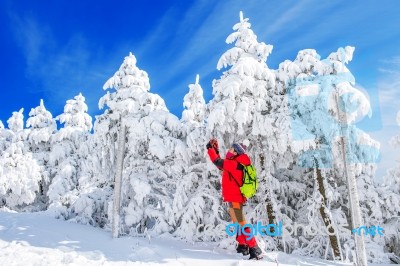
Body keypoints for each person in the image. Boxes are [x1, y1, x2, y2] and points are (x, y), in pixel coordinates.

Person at [206, 138, 263, 260]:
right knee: (237, 223)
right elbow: (221, 165)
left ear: (236, 152)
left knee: (241, 222)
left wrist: (211, 150)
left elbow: (218, 162)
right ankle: (243, 246)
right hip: (234, 198)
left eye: (232, 148)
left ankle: (255, 248)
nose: (229, 150)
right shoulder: (235, 163)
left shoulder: (235, 164)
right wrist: (215, 150)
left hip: (235, 198)